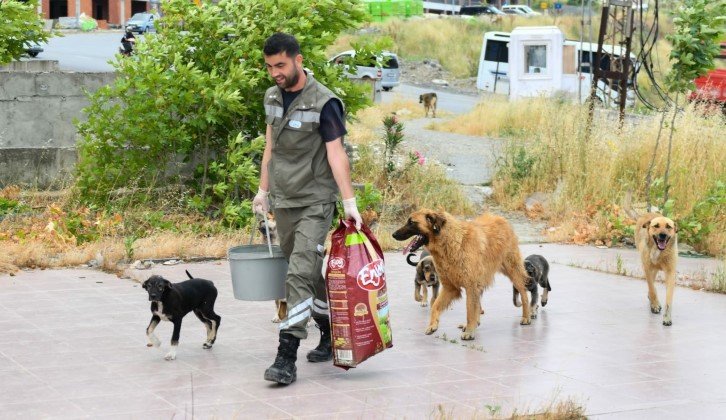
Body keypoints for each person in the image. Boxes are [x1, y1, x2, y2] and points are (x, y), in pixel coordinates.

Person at [253, 33, 362, 385]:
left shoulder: (324, 102)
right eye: (270, 67)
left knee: (298, 273)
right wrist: (262, 191)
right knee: (308, 272)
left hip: (315, 201)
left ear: (298, 60)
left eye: (280, 65)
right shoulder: (272, 96)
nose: (275, 73)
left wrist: (348, 203)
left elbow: (336, 153)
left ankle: (286, 356)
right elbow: (270, 148)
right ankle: (329, 327)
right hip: (284, 199)